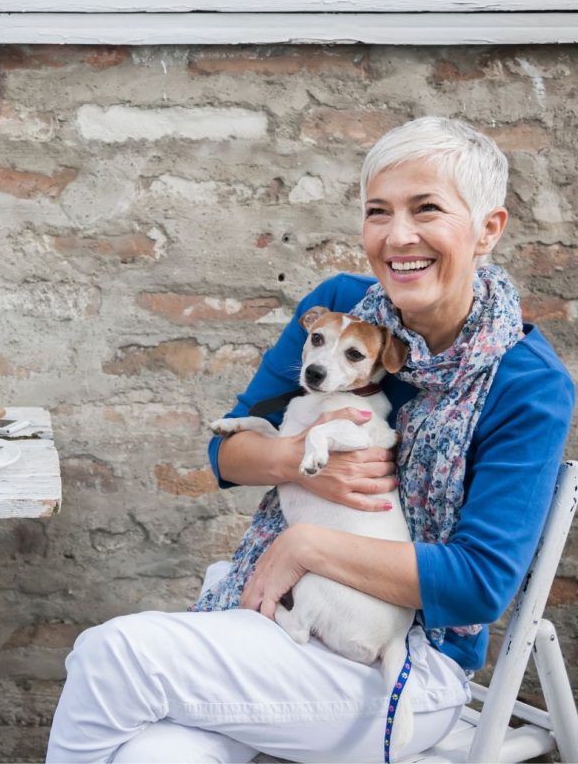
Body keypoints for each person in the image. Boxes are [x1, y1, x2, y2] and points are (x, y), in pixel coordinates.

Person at [45, 117, 574, 763]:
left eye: (426, 209)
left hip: (405, 663)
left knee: (115, 653)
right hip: (283, 617)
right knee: (153, 753)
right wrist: (299, 461)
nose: (397, 235)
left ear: (488, 228)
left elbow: (479, 584)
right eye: (378, 211)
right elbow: (227, 454)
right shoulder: (340, 308)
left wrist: (307, 545)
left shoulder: (528, 384)